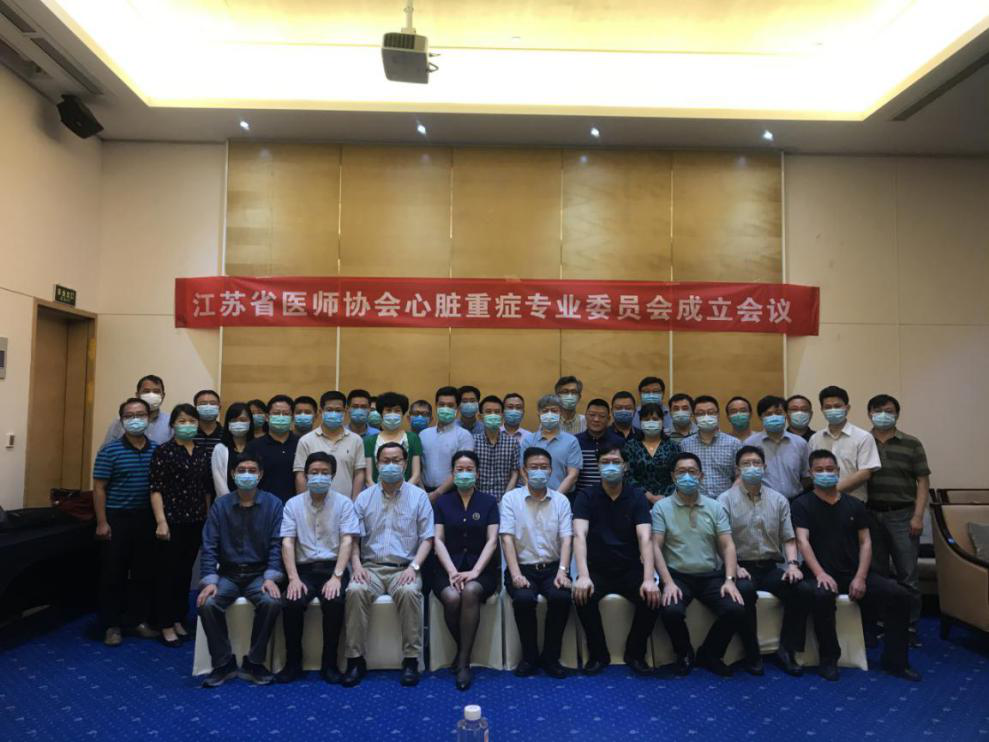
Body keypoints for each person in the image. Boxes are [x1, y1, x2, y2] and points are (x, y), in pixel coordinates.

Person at [792, 450, 920, 682]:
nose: (825, 474)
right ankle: (829, 658)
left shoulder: (855, 505)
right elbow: (802, 541)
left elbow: (866, 542)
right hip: (819, 574)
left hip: (854, 573)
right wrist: (820, 573)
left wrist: (860, 577)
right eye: (819, 470)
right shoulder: (802, 504)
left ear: (838, 471)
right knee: (821, 596)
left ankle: (896, 661)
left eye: (830, 469)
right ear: (811, 473)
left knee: (899, 595)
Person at [652, 452, 752, 676]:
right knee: (671, 611)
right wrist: (668, 583)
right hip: (677, 575)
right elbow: (655, 547)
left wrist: (730, 580)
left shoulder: (714, 507)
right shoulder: (661, 508)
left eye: (692, 472)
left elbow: (727, 545)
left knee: (736, 609)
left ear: (701, 476)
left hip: (709, 575)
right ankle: (684, 653)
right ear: (673, 476)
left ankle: (710, 654)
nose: (687, 476)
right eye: (681, 472)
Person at [343, 442, 434, 687]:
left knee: (409, 592)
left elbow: (427, 538)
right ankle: (355, 660)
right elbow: (353, 538)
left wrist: (414, 568)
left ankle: (411, 660)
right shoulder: (364, 498)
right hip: (370, 568)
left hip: (404, 568)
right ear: (377, 464)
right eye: (385, 461)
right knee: (354, 591)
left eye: (396, 461)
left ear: (405, 464)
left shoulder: (419, 497)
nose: (391, 465)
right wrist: (356, 566)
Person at [718, 445, 811, 676]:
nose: (752, 467)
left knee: (802, 589)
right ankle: (752, 652)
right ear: (737, 469)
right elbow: (720, 542)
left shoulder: (779, 500)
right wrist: (735, 567)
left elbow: (789, 538)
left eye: (756, 463)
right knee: (744, 591)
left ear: (764, 467)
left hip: (770, 567)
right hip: (740, 566)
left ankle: (786, 649)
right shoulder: (725, 500)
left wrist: (793, 565)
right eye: (746, 464)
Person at [196, 452, 284, 687]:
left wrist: (271, 577)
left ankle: (254, 661)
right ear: (233, 474)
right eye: (241, 470)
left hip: (259, 574)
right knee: (207, 603)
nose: (247, 475)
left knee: (272, 602)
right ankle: (223, 663)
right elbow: (209, 545)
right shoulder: (220, 505)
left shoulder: (274, 504)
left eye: (252, 471)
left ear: (260, 474)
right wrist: (210, 581)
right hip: (228, 574)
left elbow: (277, 545)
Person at [573, 443, 660, 676]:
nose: (610, 467)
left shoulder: (637, 496)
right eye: (605, 462)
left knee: (652, 598)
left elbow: (645, 537)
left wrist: (649, 579)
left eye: (615, 462)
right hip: (597, 568)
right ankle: (598, 654)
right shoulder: (586, 496)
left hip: (629, 568)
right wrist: (583, 575)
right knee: (582, 596)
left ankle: (635, 653)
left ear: (625, 466)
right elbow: (579, 535)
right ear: (598, 466)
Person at [276, 452, 360, 684]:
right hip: (302, 570)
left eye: (325, 473)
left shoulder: (344, 503)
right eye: (314, 472)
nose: (319, 477)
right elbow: (287, 542)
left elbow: (347, 540)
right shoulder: (292, 504)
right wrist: (293, 578)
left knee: (334, 601)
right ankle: (293, 663)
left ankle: (329, 664)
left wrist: (337, 577)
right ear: (305, 475)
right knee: (291, 602)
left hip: (333, 568)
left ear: (332, 476)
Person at [500, 447, 573, 678]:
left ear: (551, 471)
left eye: (544, 467)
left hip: (553, 567)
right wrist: (515, 574)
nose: (539, 471)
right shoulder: (510, 499)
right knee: (523, 599)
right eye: (534, 467)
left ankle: (551, 657)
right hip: (522, 568)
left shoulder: (561, 501)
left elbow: (567, 538)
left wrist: (563, 571)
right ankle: (529, 656)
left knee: (561, 597)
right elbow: (506, 538)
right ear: (524, 471)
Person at [93, 398, 160, 646]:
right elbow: (99, 488)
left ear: (148, 418)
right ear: (121, 420)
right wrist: (102, 522)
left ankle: (138, 620)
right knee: (113, 573)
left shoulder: (157, 450)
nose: (135, 420)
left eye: (140, 415)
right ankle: (111, 625)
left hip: (146, 518)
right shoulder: (109, 451)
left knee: (143, 572)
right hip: (117, 518)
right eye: (129, 416)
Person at [432, 451, 501, 691]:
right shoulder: (442, 502)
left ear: (477, 473)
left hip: (482, 569)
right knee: (452, 597)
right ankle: (464, 650)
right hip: (446, 568)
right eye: (459, 470)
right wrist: (452, 571)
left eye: (469, 469)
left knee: (470, 591)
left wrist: (475, 571)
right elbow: (438, 540)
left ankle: (463, 662)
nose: (464, 474)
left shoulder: (489, 502)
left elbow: (492, 541)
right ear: (452, 474)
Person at [867, 394, 931, 643]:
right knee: (877, 574)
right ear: (869, 413)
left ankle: (909, 626)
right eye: (878, 410)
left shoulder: (911, 443)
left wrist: (918, 516)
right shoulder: (863, 441)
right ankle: (882, 623)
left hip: (903, 515)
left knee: (908, 575)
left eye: (889, 410)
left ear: (897, 414)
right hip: (870, 514)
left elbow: (923, 481)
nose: (883, 414)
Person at [150, 403, 212, 647]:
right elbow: (155, 489)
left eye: (192, 421)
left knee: (185, 573)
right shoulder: (163, 451)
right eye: (182, 421)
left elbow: (205, 489)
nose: (187, 425)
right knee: (167, 573)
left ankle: (178, 618)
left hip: (195, 521)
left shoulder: (201, 452)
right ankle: (164, 624)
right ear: (173, 424)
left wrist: (206, 517)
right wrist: (161, 521)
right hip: (171, 521)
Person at [808, 385, 880, 502]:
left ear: (847, 408)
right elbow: (812, 471)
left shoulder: (863, 437)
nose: (833, 410)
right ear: (822, 410)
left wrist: (832, 492)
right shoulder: (815, 438)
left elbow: (865, 473)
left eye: (837, 406)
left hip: (853, 502)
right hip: (820, 502)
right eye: (828, 407)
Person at [294, 390, 366, 500]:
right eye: (329, 410)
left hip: (345, 505)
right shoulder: (305, 441)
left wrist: (354, 503)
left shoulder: (356, 440)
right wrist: (303, 503)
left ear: (345, 411)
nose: (333, 414)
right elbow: (300, 476)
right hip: (312, 505)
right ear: (321, 411)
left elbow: (359, 474)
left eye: (338, 410)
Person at [744, 395, 810, 500]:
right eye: (768, 414)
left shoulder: (800, 443)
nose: (774, 416)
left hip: (795, 500)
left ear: (786, 415)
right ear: (761, 417)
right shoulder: (750, 444)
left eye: (779, 413)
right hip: (763, 501)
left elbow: (806, 477)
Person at [679, 396, 742, 498]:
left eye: (711, 412)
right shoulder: (685, 444)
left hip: (726, 502)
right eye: (700, 413)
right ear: (694, 417)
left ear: (718, 415)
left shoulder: (734, 443)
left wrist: (728, 498)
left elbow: (740, 475)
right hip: (694, 502)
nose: (706, 416)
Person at [420, 386, 475, 502]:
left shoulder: (464, 436)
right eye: (442, 405)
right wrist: (423, 492)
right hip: (424, 493)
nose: (445, 408)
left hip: (452, 493)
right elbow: (418, 467)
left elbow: (462, 468)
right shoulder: (423, 434)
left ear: (457, 409)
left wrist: (437, 493)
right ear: (436, 406)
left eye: (450, 405)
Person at [519, 394, 582, 496]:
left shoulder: (571, 441)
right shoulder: (528, 440)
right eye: (545, 411)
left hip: (563, 497)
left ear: (561, 413)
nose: (549, 414)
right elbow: (522, 470)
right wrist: (532, 494)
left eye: (554, 410)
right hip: (532, 497)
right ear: (538, 413)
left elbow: (573, 474)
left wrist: (556, 498)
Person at [243, 394, 300, 502]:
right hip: (263, 506)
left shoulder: (301, 443)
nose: (281, 417)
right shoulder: (253, 446)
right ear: (267, 417)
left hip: (294, 507)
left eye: (286, 414)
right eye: (276, 413)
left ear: (292, 418)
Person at [623, 402, 681, 505]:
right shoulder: (630, 446)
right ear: (640, 422)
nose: (651, 422)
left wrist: (664, 496)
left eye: (655, 419)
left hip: (668, 501)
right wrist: (647, 495)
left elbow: (679, 474)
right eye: (646, 419)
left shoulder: (673, 447)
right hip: (637, 500)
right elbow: (627, 475)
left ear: (662, 421)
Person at [363, 391, 423, 486]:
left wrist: (404, 491)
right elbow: (368, 478)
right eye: (388, 410)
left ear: (403, 414)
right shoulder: (369, 441)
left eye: (397, 410)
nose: (392, 414)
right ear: (381, 413)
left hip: (407, 491)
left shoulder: (412, 438)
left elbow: (416, 475)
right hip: (377, 491)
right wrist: (378, 492)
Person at [574, 399, 626, 499]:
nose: (596, 419)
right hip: (582, 497)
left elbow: (624, 472)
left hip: (612, 497)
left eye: (602, 416)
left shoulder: (618, 442)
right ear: (585, 416)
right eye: (592, 415)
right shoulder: (575, 441)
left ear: (609, 419)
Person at [102, 375, 172, 446]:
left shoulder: (171, 422)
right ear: (137, 395)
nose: (151, 395)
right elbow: (106, 450)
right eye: (146, 391)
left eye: (156, 391)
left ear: (163, 396)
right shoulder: (120, 422)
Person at [472, 395, 519, 497]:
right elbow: (470, 472)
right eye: (488, 412)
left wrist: (506, 499)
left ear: (502, 416)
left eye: (497, 412)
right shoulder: (472, 442)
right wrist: (477, 499)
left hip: (505, 500)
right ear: (480, 417)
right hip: (478, 498)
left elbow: (515, 473)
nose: (493, 415)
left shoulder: (513, 443)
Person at [211, 402, 253, 497]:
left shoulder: (257, 446)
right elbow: (219, 481)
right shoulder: (220, 448)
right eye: (234, 420)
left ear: (250, 422)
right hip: (227, 501)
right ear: (228, 423)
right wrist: (229, 502)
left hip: (254, 501)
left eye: (243, 420)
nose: (238, 423)